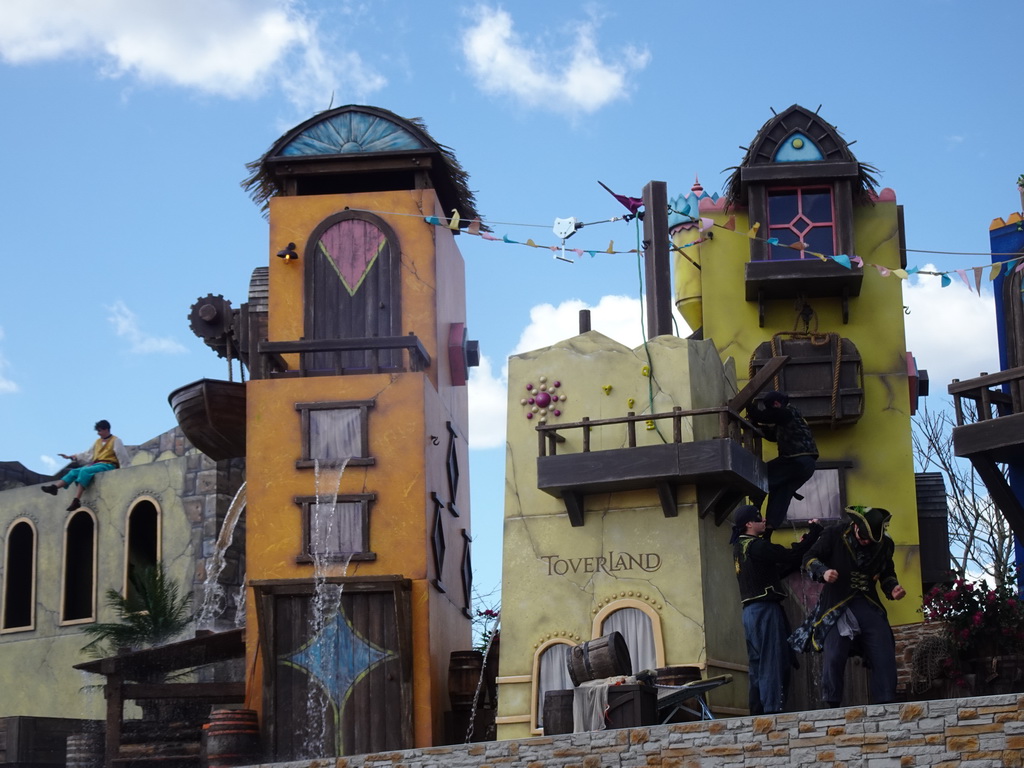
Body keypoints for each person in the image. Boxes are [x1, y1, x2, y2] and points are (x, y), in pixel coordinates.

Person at [788, 505, 906, 707]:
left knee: (884, 648)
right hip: (837, 604)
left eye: (871, 540)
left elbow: (887, 573)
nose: (866, 541)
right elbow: (809, 558)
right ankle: (832, 703)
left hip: (866, 602)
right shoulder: (834, 533)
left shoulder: (885, 545)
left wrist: (893, 588)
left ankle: (887, 701)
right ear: (856, 526)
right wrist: (823, 572)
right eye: (864, 537)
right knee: (834, 653)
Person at [731, 504, 823, 714]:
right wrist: (814, 533)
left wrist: (802, 547)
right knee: (772, 661)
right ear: (748, 524)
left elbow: (779, 569)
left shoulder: (740, 547)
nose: (763, 520)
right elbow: (789, 556)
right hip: (765, 611)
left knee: (758, 665)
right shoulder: (756, 546)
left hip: (750, 613)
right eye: (759, 518)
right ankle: (773, 712)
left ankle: (757, 713)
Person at [747, 390, 818, 534]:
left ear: (776, 404)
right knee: (781, 492)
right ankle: (769, 531)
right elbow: (773, 435)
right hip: (807, 466)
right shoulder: (791, 418)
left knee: (761, 475)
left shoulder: (786, 412)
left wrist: (749, 406)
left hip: (796, 460)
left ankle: (755, 511)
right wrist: (758, 426)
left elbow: (763, 416)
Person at [41, 420, 130, 511]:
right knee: (74, 472)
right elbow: (88, 454)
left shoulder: (116, 440)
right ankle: (55, 487)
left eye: (100, 431)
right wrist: (72, 457)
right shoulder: (97, 442)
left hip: (108, 465)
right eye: (97, 431)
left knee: (85, 471)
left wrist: (124, 470)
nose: (98, 433)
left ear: (106, 429)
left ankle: (76, 500)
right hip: (96, 465)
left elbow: (122, 455)